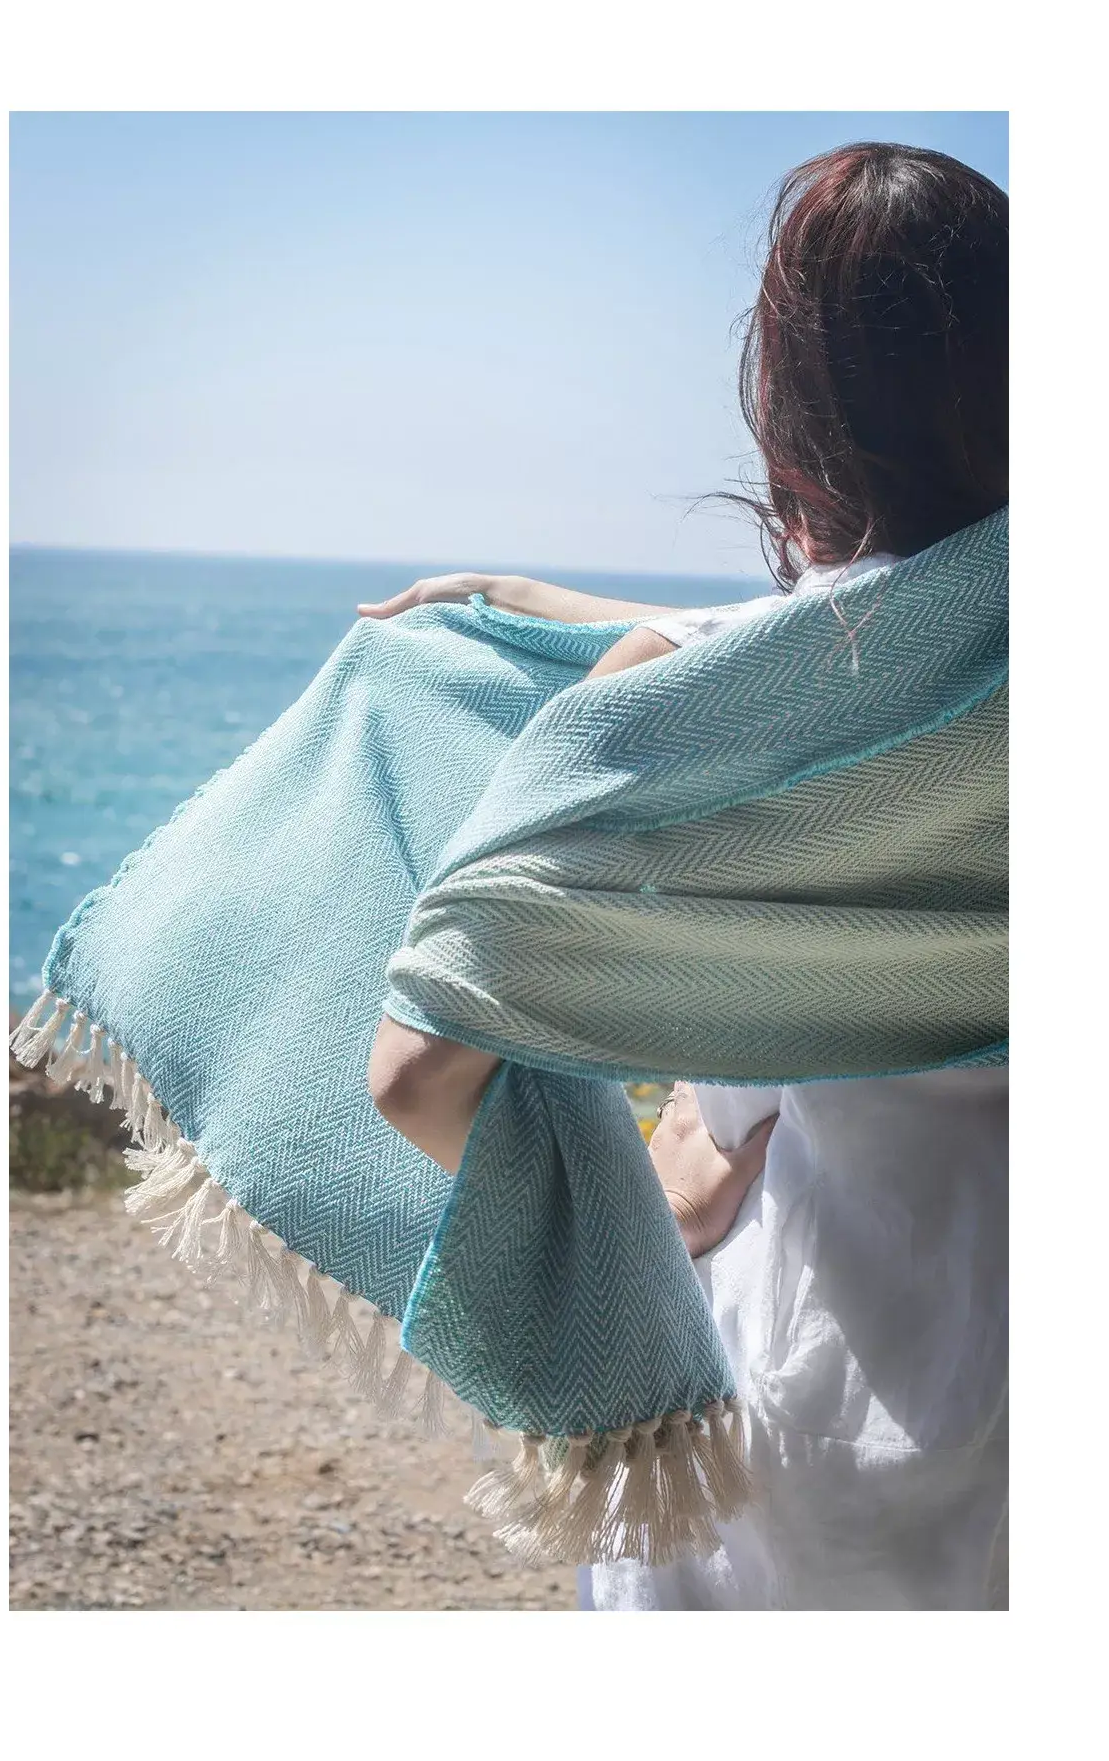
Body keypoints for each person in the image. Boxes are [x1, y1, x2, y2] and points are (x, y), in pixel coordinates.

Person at [359, 141, 1009, 1611]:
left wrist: (636, 1215)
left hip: (818, 1413)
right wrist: (584, 609)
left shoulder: (683, 713)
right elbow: (912, 633)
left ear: (783, 407)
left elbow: (415, 1075)